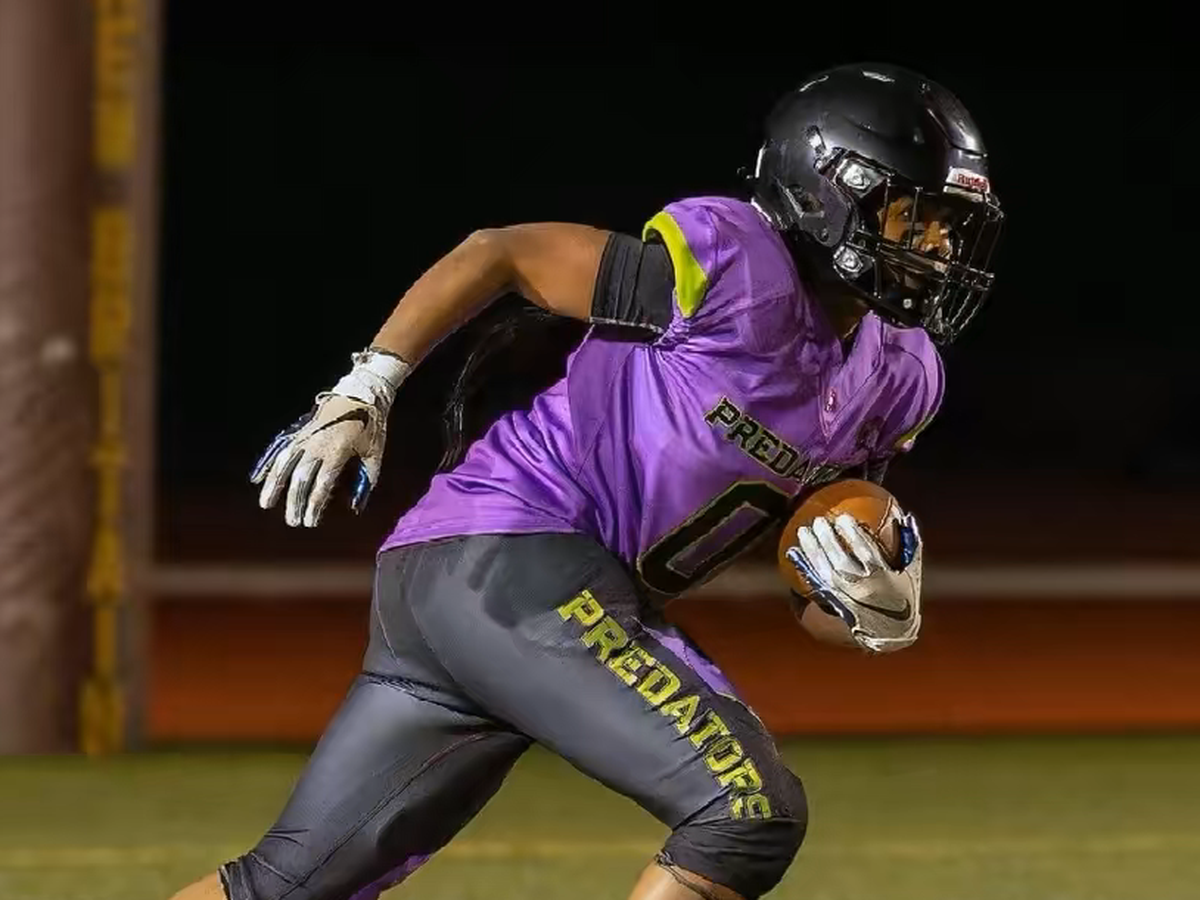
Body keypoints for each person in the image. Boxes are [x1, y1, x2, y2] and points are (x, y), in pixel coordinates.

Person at [170, 62, 1003, 900]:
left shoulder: (900, 374)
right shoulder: (733, 265)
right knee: (746, 810)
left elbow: (813, 570)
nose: (936, 247)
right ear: (825, 194)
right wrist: (367, 385)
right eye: (914, 215)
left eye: (950, 226)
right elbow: (502, 253)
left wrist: (872, 606)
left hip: (475, 581)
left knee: (284, 887)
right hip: (517, 555)